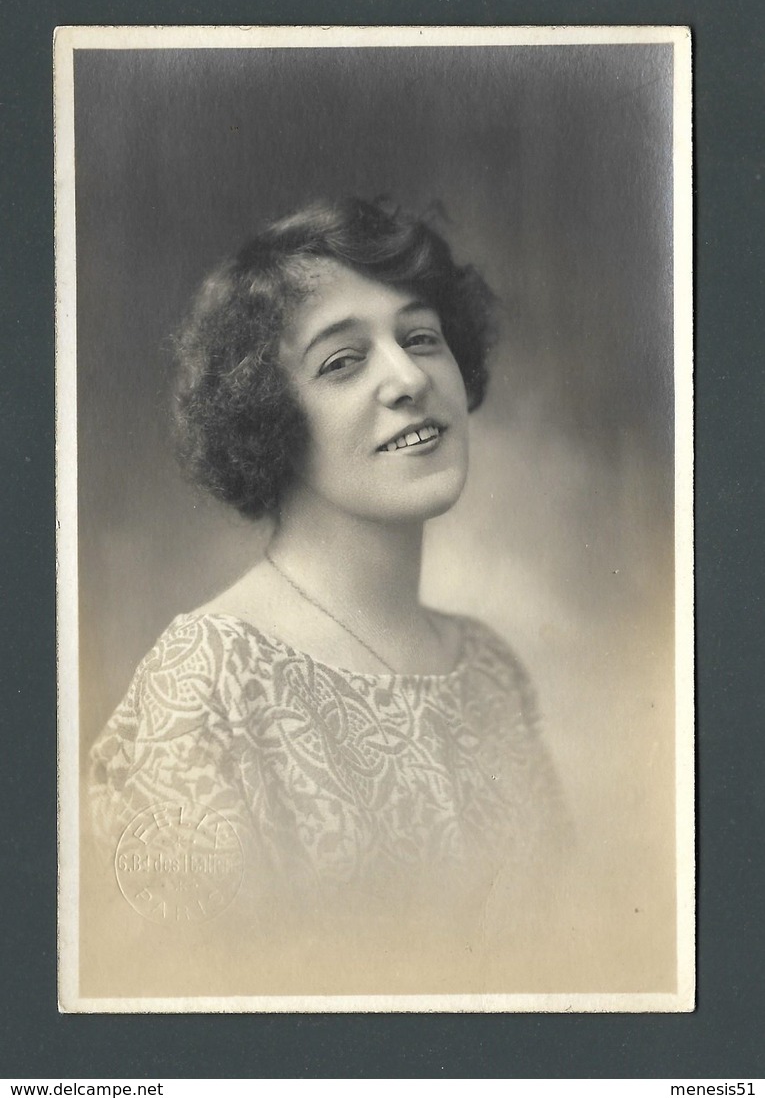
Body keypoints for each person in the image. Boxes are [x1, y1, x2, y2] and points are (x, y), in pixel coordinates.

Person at [89, 198, 567, 971]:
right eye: (343, 361)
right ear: (269, 417)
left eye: (421, 338)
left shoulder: (490, 669)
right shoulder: (208, 686)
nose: (409, 377)